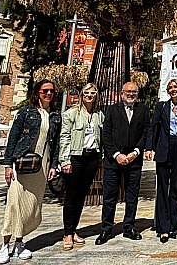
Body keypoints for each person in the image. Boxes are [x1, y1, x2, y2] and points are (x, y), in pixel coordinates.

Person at [0, 79, 61, 264]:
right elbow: (13, 138)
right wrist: (8, 165)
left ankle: (19, 242)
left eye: (51, 91)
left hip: (41, 166)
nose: (48, 94)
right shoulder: (25, 112)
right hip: (21, 164)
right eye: (45, 91)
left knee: (30, 206)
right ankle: (5, 245)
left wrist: (53, 166)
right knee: (14, 204)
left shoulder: (55, 116)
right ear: (37, 92)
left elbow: (55, 144)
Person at [95, 82, 149, 245]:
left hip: (134, 161)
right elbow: (106, 134)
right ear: (121, 93)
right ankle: (106, 229)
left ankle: (129, 227)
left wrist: (135, 152)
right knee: (109, 197)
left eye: (134, 92)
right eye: (128, 91)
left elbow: (146, 132)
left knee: (132, 196)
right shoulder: (112, 110)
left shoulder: (143, 110)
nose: (131, 94)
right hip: (113, 161)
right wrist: (116, 154)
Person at [145, 79, 177, 243]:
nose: (173, 90)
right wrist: (149, 147)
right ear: (168, 91)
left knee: (174, 189)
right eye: (170, 87)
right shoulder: (161, 106)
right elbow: (153, 127)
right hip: (163, 149)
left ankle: (173, 225)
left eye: (175, 87)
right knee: (162, 189)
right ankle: (163, 228)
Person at [59, 83, 104, 250]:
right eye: (86, 93)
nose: (89, 96)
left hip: (92, 158)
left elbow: (102, 136)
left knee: (81, 196)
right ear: (81, 95)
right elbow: (64, 137)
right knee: (71, 195)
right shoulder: (71, 113)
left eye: (92, 93)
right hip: (75, 157)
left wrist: (101, 157)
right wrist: (65, 161)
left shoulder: (99, 115)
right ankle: (67, 233)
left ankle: (73, 229)